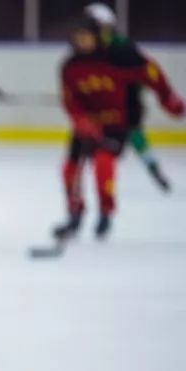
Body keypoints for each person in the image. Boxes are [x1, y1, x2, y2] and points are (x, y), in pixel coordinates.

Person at [53, 22, 183, 242]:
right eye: (78, 37)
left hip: (115, 125)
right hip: (85, 127)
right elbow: (70, 101)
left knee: (103, 164)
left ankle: (105, 212)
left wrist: (167, 97)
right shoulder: (69, 67)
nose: (82, 42)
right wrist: (80, 120)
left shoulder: (118, 58)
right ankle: (74, 213)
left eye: (86, 37)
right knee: (70, 169)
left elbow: (150, 72)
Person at [84, 2, 173, 191]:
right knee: (105, 142)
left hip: (127, 104)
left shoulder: (123, 47)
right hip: (108, 106)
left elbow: (144, 72)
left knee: (134, 136)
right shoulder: (91, 48)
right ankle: (104, 179)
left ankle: (153, 169)